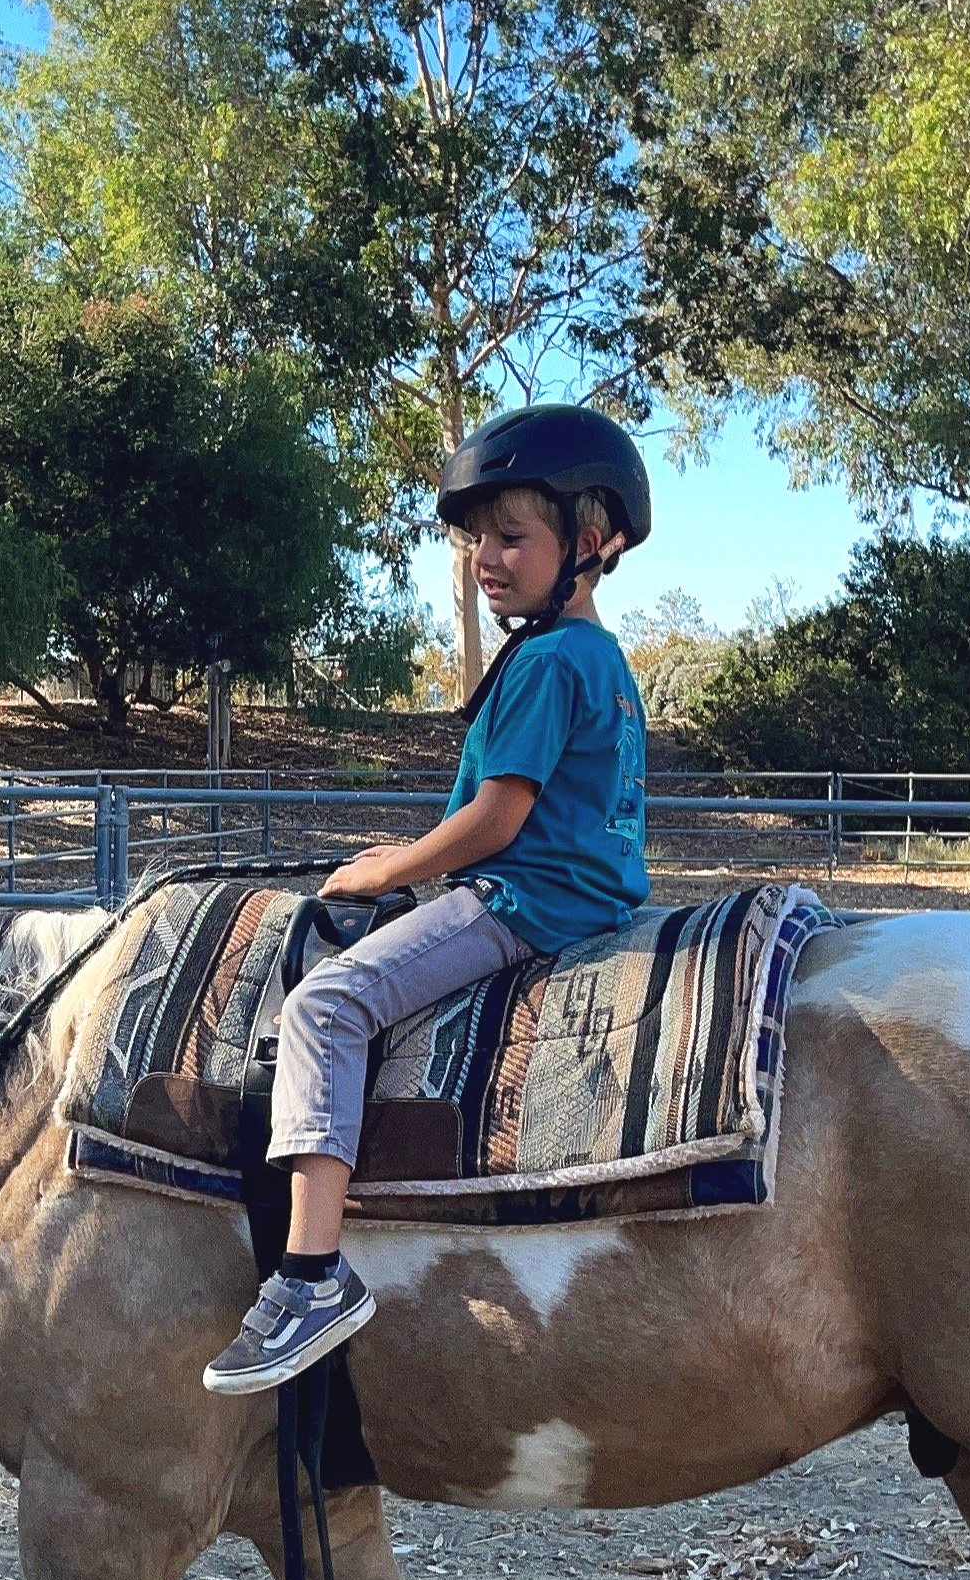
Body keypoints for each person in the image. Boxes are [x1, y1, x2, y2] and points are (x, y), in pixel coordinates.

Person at [202, 401, 652, 1397]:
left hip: (521, 901)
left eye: (511, 537)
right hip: (588, 898)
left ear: (590, 541)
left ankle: (312, 1273)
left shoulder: (541, 664)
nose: (486, 559)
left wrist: (387, 870)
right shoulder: (604, 661)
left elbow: (498, 820)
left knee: (327, 1005)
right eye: (477, 540)